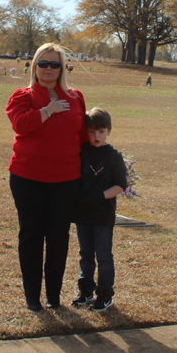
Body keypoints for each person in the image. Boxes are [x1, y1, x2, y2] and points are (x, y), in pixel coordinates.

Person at [6, 42, 87, 311]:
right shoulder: (23, 95)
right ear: (34, 66)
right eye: (43, 63)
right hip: (28, 177)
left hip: (66, 179)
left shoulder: (76, 96)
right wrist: (48, 110)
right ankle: (32, 297)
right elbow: (20, 124)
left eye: (55, 64)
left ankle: (54, 295)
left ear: (63, 68)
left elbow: (83, 137)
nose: (49, 69)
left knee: (58, 237)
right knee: (31, 236)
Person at [71, 108, 128, 312]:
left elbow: (121, 185)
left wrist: (100, 195)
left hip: (103, 214)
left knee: (103, 254)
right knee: (85, 253)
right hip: (83, 214)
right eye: (92, 132)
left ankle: (104, 294)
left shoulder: (113, 156)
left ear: (109, 131)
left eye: (101, 131)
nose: (96, 136)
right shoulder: (82, 152)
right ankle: (85, 290)